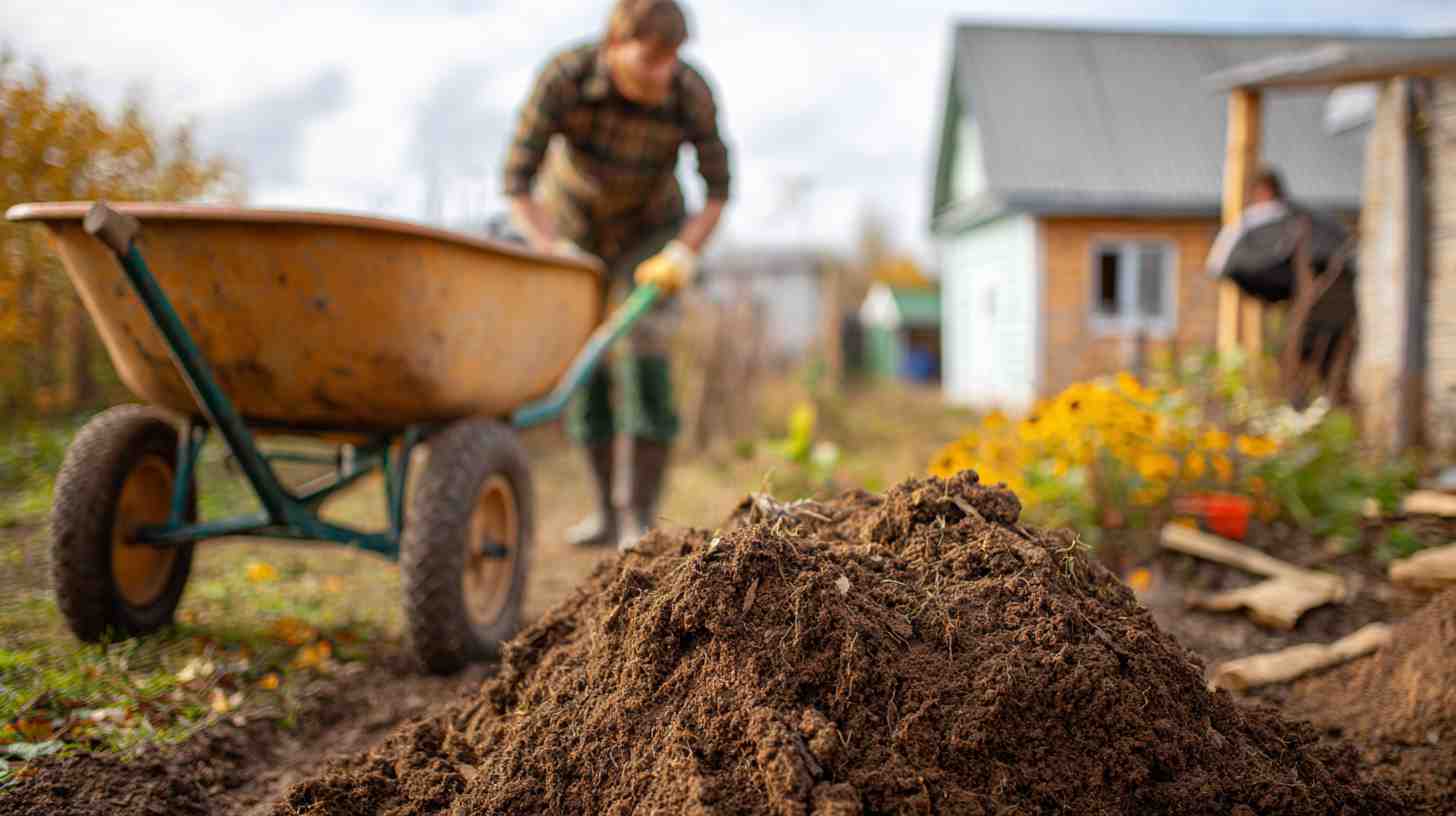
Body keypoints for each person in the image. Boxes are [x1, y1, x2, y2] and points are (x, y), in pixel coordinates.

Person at [502, 0, 731, 551]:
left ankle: (639, 516)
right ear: (614, 46)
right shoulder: (566, 78)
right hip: (573, 231)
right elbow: (516, 183)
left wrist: (683, 253)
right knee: (590, 360)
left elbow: (718, 191)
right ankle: (605, 511)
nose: (664, 72)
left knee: (645, 347)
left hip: (652, 231)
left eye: (672, 58)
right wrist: (552, 248)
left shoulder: (689, 92)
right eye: (650, 59)